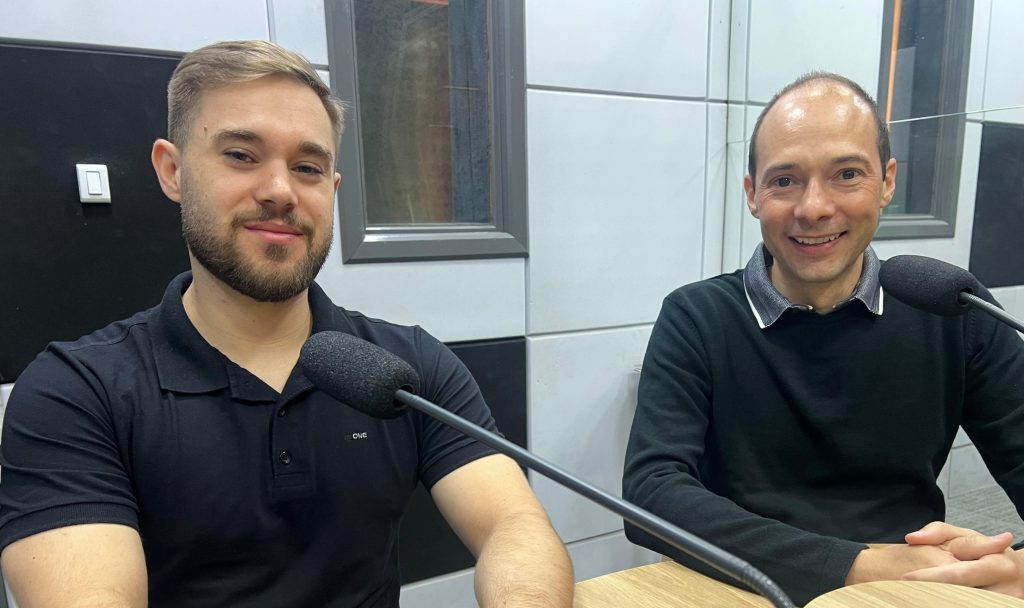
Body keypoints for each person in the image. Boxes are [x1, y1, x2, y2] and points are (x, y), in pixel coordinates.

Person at [0, 40, 572, 607]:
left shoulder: (407, 369)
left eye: (307, 168)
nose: (280, 191)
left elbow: (513, 526)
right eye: (241, 155)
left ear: (332, 189)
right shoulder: (75, 393)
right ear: (172, 171)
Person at [622, 71, 1024, 605]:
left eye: (846, 174)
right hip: (740, 586)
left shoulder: (955, 308)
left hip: (906, 593)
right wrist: (859, 564)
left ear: (887, 182)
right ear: (753, 194)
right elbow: (651, 494)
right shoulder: (696, 317)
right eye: (784, 180)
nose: (813, 207)